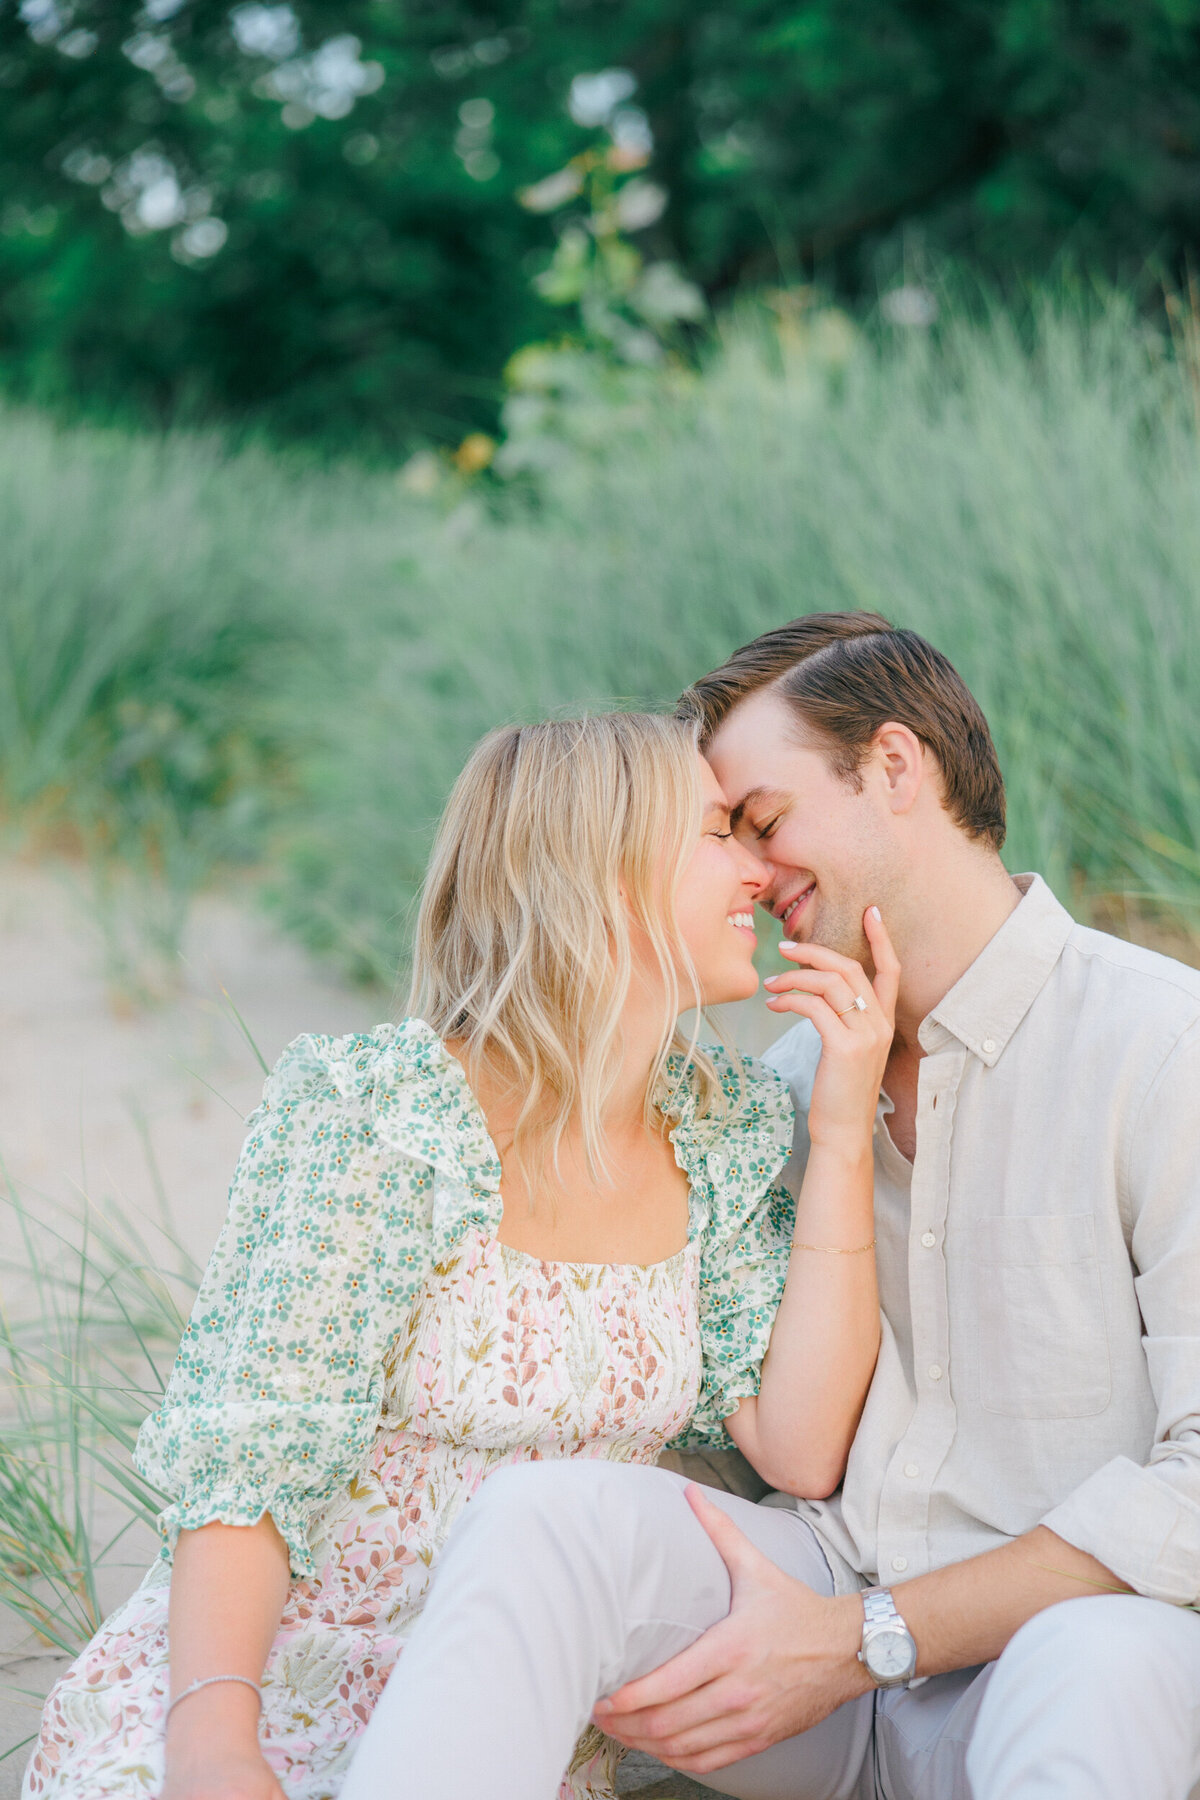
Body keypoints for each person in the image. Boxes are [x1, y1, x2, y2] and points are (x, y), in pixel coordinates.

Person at [341, 614, 1200, 1800]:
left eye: (767, 820)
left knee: (1102, 1661)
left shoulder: (1163, 1048)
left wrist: (865, 1641)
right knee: (543, 1518)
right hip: (819, 1616)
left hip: (1055, 1668)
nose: (750, 872)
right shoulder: (778, 1098)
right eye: (727, 836)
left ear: (897, 768)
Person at [24, 711, 898, 1800]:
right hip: (264, 1681)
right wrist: (213, 1746)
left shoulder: (718, 1131)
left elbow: (804, 1447)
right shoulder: (381, 1115)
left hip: (513, 1710)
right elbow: (249, 1461)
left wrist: (843, 1131)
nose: (762, 869)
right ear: (604, 867)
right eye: (720, 831)